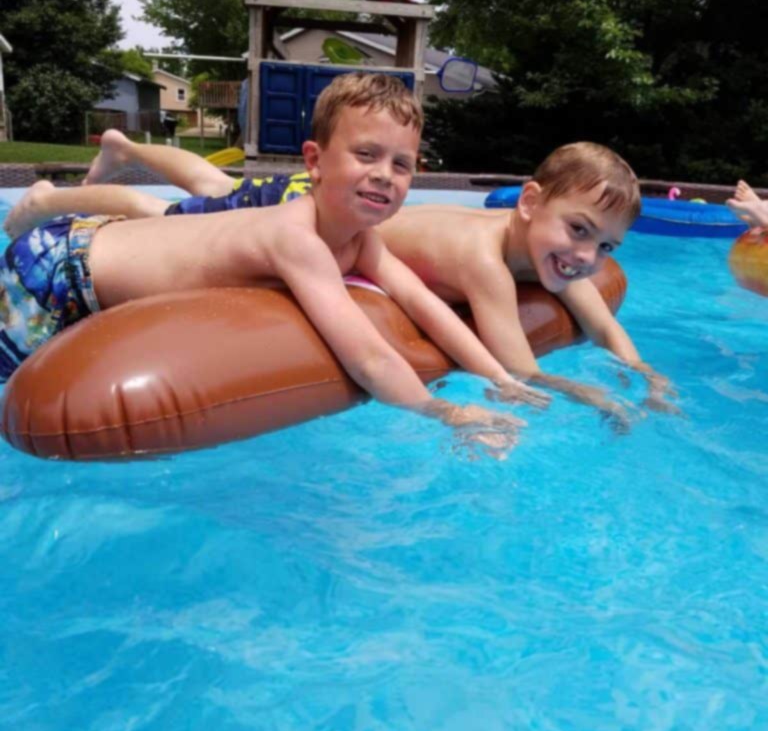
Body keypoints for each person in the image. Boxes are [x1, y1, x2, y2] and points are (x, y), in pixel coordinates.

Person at [1, 73, 545, 458]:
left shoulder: (362, 239)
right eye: (366, 155)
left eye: (401, 164)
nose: (385, 174)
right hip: (57, 269)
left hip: (100, 254)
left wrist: (500, 379)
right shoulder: (295, 237)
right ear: (314, 161)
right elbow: (370, 359)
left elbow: (425, 306)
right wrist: (446, 414)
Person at [4, 137, 675, 421]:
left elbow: (590, 305)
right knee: (176, 212)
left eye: (604, 246)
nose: (587, 256)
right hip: (309, 205)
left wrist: (640, 367)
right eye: (580, 232)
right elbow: (518, 367)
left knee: (210, 188)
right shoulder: (484, 262)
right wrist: (593, 397)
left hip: (342, 221)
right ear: (529, 204)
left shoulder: (554, 248)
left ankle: (121, 152)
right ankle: (55, 198)